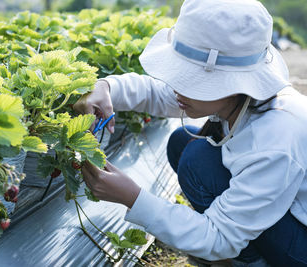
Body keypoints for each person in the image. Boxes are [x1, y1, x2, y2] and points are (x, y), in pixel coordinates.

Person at [74, 0, 307, 266]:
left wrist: (132, 197)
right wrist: (106, 87)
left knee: (195, 156)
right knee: (183, 144)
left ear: (231, 84)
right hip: (283, 210)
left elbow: (218, 237)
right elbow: (156, 94)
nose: (177, 87)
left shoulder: (277, 137)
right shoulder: (240, 97)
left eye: (190, 80)